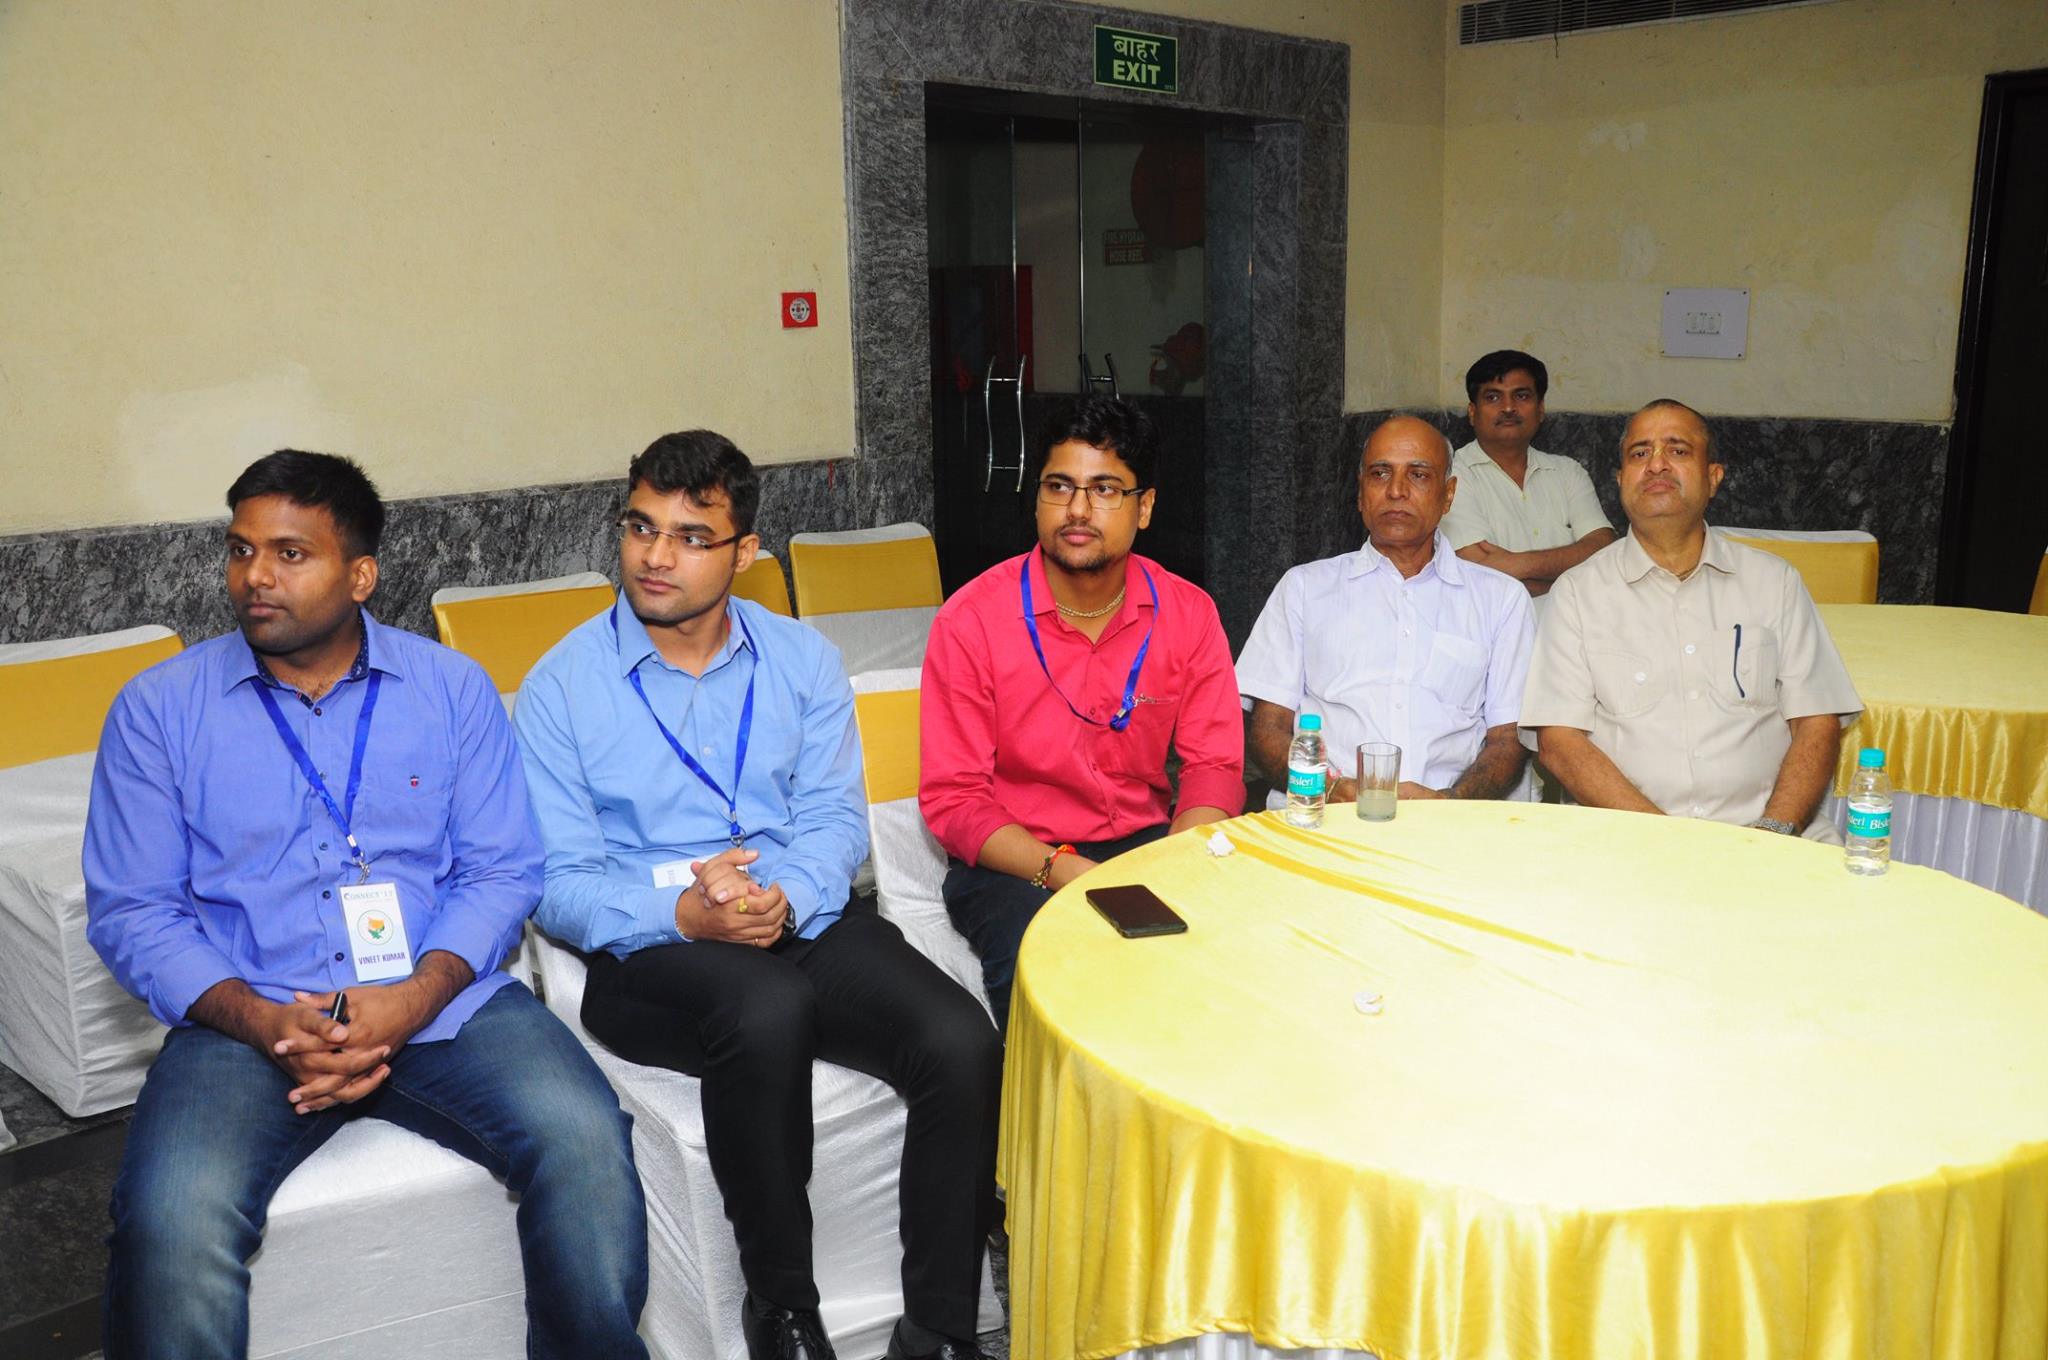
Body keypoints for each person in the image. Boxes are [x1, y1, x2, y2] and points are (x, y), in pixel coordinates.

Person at [83, 451, 648, 1360]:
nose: (255, 576)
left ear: (360, 575)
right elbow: (133, 910)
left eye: (289, 554)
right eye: (240, 549)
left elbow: (501, 871)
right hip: (250, 1016)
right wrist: (264, 1022)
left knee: (584, 1144)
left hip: (441, 1002)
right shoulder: (159, 710)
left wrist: (411, 1000)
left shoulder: (451, 690)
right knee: (171, 1218)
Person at [516, 431, 1000, 1360]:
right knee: (768, 1007)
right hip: (647, 951)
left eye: (691, 537)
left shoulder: (800, 660)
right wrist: (684, 915)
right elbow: (557, 886)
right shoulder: (561, 688)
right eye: (641, 528)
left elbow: (833, 821)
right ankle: (781, 1312)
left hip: (797, 916)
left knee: (960, 1040)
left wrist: (783, 898)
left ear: (744, 553)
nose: (656, 556)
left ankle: (938, 1328)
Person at [920, 397, 1243, 1030]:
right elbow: (955, 799)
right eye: (1059, 486)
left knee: (1230, 958)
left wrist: (1172, 866)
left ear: (1144, 507)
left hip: (1149, 845)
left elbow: (1215, 767)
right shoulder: (972, 621)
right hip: (1015, 861)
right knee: (1054, 970)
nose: (1076, 509)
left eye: (1105, 490)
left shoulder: (1188, 613)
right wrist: (1062, 869)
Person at [1521, 400, 1862, 841]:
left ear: (1713, 477)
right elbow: (1560, 743)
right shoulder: (1578, 593)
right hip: (1627, 842)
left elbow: (1816, 720)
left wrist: (1773, 833)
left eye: (1677, 450)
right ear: (1621, 480)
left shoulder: (1773, 582)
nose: (1656, 464)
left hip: (1772, 838)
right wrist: (1673, 844)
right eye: (1640, 453)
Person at [1238, 415, 1533, 807]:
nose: (1396, 491)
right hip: (1324, 817)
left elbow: (1509, 738)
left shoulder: (1501, 599)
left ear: (1448, 495)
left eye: (1418, 475)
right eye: (1380, 474)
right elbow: (1268, 726)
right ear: (1361, 492)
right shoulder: (1304, 588)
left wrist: (1449, 803)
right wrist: (1328, 789)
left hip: (1453, 823)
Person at [1442, 349, 1615, 596]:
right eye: (1493, 397)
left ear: (1540, 409)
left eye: (1521, 396)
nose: (1508, 407)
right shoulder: (1450, 475)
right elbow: (1479, 576)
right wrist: (1573, 578)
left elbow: (1604, 551)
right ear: (1472, 412)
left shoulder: (1568, 472)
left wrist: (1516, 563)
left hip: (1575, 621)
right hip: (1496, 623)